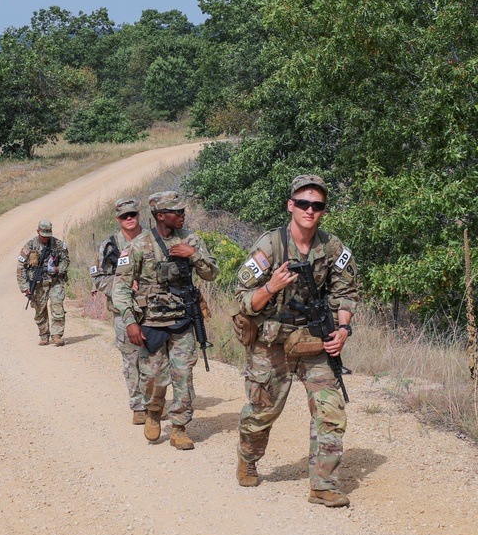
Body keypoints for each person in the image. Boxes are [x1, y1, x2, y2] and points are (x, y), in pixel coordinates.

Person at [232, 175, 359, 507]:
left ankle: (323, 484)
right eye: (303, 203)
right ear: (291, 205)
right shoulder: (270, 246)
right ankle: (247, 457)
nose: (310, 210)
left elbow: (346, 294)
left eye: (317, 206)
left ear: (323, 211)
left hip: (314, 341)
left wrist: (342, 330)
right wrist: (271, 287)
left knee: (330, 411)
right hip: (271, 342)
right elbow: (243, 299)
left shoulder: (333, 248)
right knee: (262, 413)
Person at [112, 191, 218, 449]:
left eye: (183, 212)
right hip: (151, 322)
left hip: (183, 320)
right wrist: (130, 322)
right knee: (153, 377)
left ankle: (179, 427)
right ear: (161, 216)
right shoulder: (138, 245)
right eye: (177, 212)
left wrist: (193, 254)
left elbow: (211, 274)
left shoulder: (191, 239)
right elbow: (121, 287)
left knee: (183, 374)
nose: (183, 216)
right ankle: (152, 411)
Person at [90, 198, 148, 425]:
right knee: (131, 358)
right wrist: (122, 284)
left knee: (156, 358)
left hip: (154, 308)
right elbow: (97, 277)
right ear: (118, 219)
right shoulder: (109, 246)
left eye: (132, 214)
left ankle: (154, 401)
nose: (129, 218)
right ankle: (138, 405)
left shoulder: (152, 240)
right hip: (124, 311)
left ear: (138, 214)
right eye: (124, 216)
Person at [16, 220, 70, 346]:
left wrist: (57, 269)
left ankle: (57, 335)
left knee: (57, 306)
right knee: (40, 311)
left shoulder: (58, 245)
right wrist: (24, 287)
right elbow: (21, 267)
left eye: (47, 235)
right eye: (43, 235)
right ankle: (44, 335)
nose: (45, 238)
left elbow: (65, 261)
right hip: (38, 284)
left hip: (55, 281)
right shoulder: (30, 246)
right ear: (37, 232)